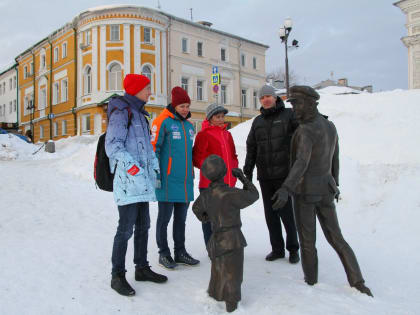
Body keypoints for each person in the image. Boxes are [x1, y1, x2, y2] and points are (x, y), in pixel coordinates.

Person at [271, 85, 373, 297]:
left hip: (306, 192)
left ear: (310, 103)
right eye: (292, 104)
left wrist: (286, 188)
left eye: (297, 104)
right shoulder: (329, 126)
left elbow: (301, 162)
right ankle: (357, 281)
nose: (295, 109)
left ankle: (311, 281)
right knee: (337, 238)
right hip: (326, 189)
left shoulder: (305, 130)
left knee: (308, 241)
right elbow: (334, 159)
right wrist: (335, 183)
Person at [105, 74, 167, 296]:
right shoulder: (121, 113)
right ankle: (117, 275)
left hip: (143, 183)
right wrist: (135, 171)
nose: (150, 92)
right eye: (147, 88)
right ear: (136, 90)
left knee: (143, 226)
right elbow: (113, 147)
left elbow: (146, 149)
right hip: (128, 183)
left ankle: (141, 268)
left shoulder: (141, 114)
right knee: (125, 229)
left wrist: (155, 169)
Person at [192, 155, 259, 313]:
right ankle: (231, 302)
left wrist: (206, 217)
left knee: (219, 270)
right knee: (233, 273)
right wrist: (242, 178)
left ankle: (216, 294)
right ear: (224, 172)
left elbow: (196, 209)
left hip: (216, 238)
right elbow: (254, 195)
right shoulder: (231, 193)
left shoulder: (206, 195)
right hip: (232, 238)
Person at [243, 85, 300, 264]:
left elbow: (302, 138)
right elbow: (251, 147)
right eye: (262, 98)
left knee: (287, 213)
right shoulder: (258, 121)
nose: (266, 100)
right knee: (271, 215)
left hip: (284, 174)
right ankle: (277, 249)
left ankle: (293, 249)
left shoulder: (289, 115)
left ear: (276, 98)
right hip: (265, 175)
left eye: (268, 96)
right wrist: (248, 170)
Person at [151, 86, 199, 269]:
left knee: (181, 219)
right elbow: (154, 149)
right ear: (174, 105)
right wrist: (156, 175)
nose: (185, 109)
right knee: (164, 219)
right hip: (167, 180)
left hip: (185, 181)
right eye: (182, 106)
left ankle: (180, 252)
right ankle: (164, 253)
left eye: (187, 105)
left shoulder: (188, 126)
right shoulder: (162, 122)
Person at [192, 103, 239, 245]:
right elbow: (197, 159)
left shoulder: (227, 135)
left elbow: (233, 155)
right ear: (210, 118)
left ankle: (224, 243)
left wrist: (233, 171)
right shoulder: (203, 135)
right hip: (210, 185)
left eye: (222, 116)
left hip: (227, 184)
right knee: (210, 217)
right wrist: (212, 173)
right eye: (217, 116)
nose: (221, 119)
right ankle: (211, 245)